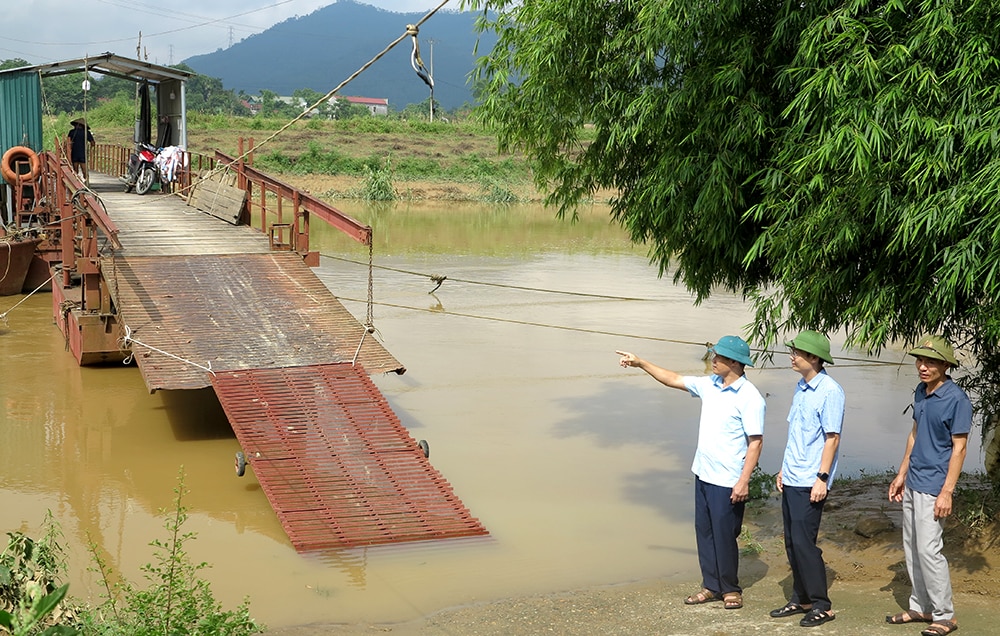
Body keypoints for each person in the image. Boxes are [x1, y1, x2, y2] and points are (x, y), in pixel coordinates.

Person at [617, 335, 765, 611]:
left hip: (728, 479)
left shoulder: (750, 397)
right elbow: (672, 379)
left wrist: (744, 480)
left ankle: (730, 588)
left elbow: (755, 442)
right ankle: (711, 585)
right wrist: (640, 363)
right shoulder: (710, 385)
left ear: (734, 362)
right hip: (703, 473)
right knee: (705, 532)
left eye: (718, 357)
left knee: (724, 534)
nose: (713, 360)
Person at [886, 335, 970, 636]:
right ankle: (920, 606)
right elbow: (915, 433)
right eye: (920, 361)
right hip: (914, 480)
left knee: (930, 549)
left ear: (945, 365)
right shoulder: (921, 393)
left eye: (931, 362)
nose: (923, 367)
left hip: (934, 485)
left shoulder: (957, 399)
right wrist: (901, 473)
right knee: (912, 547)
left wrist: (947, 491)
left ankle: (945, 615)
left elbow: (959, 449)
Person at [769, 331, 843, 628]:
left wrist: (822, 478)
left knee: (804, 543)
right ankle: (801, 598)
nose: (792, 356)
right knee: (791, 541)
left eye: (797, 352)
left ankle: (822, 604)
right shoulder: (801, 387)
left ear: (813, 358)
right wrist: (783, 469)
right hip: (793, 476)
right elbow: (796, 435)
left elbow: (832, 438)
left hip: (811, 478)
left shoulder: (830, 391)